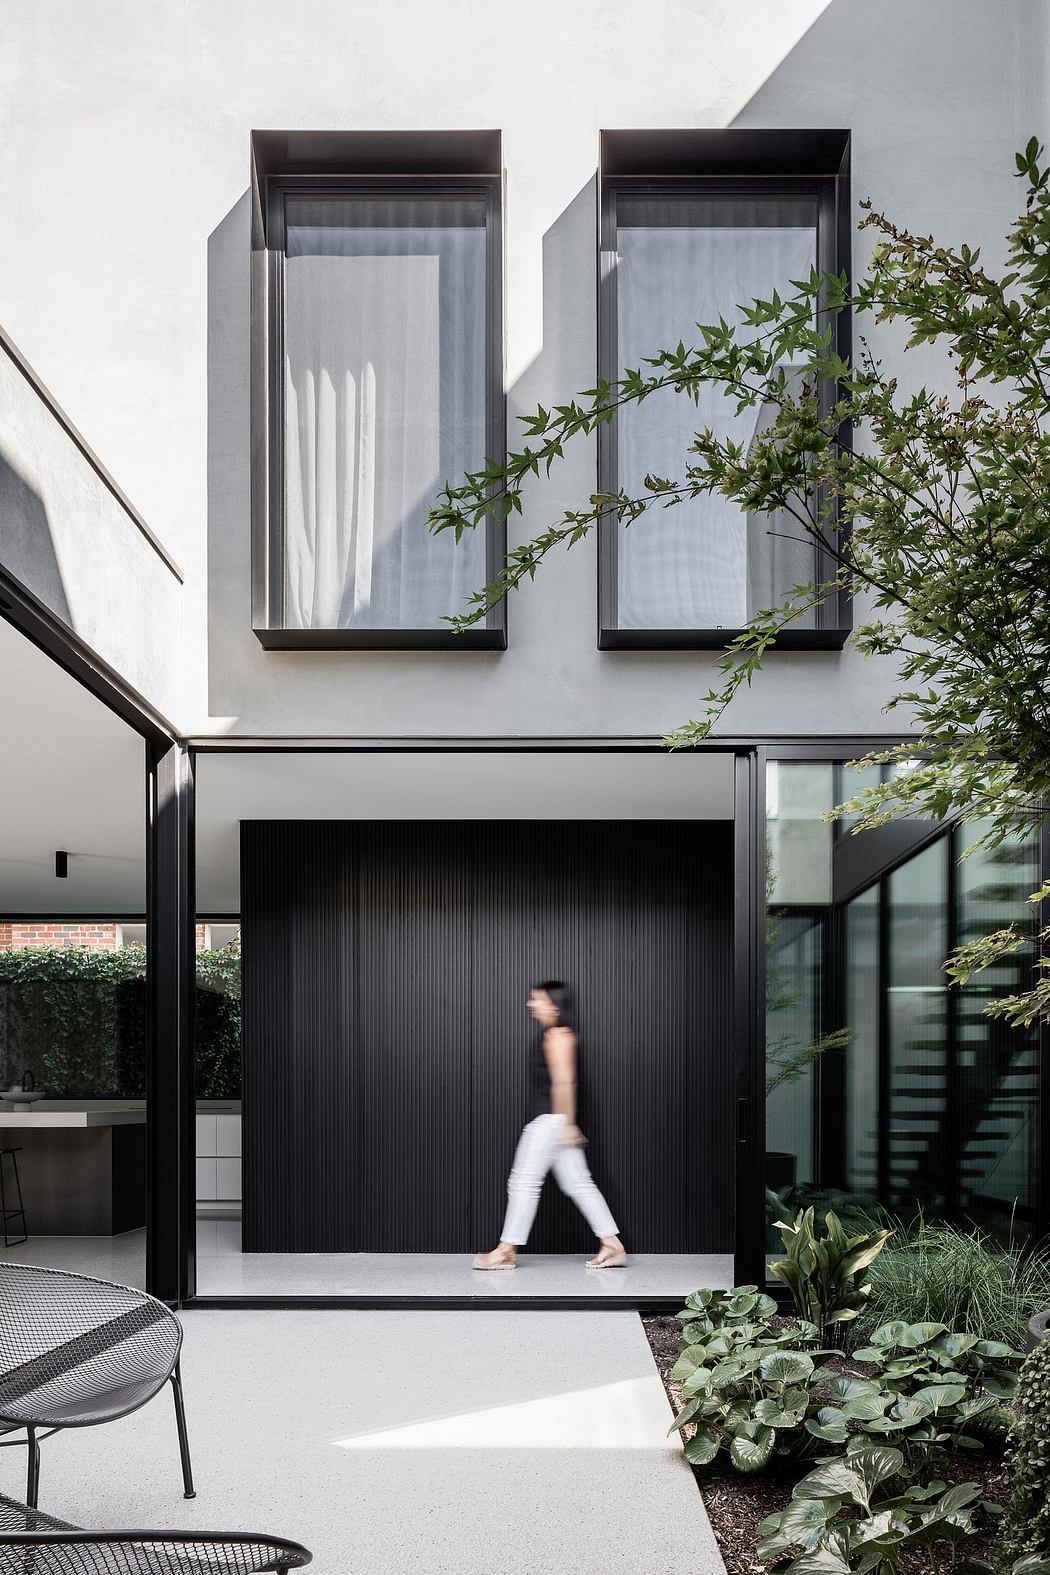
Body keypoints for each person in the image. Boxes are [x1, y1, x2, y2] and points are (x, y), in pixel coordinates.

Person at [473, 980, 626, 1271]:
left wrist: (567, 1124)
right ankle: (613, 1245)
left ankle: (506, 1251)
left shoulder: (558, 1035)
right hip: (557, 1121)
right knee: (578, 1183)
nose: (531, 1004)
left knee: (523, 1182)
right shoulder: (556, 1034)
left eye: (538, 1000)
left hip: (551, 1121)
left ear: (555, 1005)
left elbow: (565, 1082)